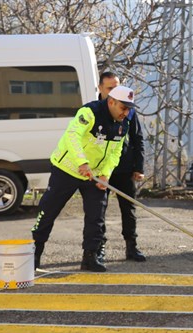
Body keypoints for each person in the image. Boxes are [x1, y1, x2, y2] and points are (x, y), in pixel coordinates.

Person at [31, 85, 137, 272]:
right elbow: (72, 136)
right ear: (111, 101)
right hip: (67, 168)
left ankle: (90, 256)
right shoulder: (89, 112)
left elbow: (116, 152)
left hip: (94, 175)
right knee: (49, 210)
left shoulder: (124, 124)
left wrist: (106, 173)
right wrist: (81, 162)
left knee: (97, 216)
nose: (126, 112)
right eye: (123, 107)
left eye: (129, 108)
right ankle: (35, 253)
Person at [96, 72, 146, 263]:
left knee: (129, 209)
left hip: (123, 167)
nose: (113, 92)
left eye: (116, 87)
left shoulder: (128, 110)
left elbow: (137, 138)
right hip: (100, 170)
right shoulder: (94, 110)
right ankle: (98, 248)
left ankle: (131, 246)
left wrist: (138, 166)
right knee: (98, 210)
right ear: (100, 88)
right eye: (109, 88)